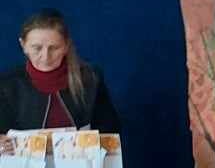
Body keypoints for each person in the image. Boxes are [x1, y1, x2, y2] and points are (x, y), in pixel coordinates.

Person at [0, 9, 123, 153]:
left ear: (66, 46)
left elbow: (110, 128)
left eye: (54, 48)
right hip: (21, 166)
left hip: (81, 164)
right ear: (23, 45)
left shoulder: (91, 79)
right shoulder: (6, 85)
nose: (45, 57)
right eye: (37, 48)